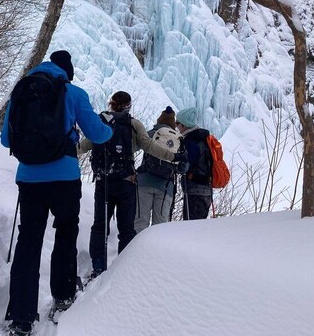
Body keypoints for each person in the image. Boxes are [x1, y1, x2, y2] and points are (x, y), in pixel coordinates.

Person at [0, 50, 112, 336]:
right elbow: (98, 134)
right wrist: (108, 130)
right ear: (67, 73)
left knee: (29, 239)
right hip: (64, 176)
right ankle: (62, 296)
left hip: (29, 178)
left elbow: (5, 139)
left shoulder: (21, 91)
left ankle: (21, 317)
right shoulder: (72, 93)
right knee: (65, 231)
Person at [80, 91, 186, 278]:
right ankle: (123, 272)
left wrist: (58, 153)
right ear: (129, 106)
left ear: (111, 105)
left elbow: (84, 145)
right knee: (127, 228)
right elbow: (150, 147)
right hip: (126, 182)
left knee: (99, 226)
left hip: (103, 181)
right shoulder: (133, 124)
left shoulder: (101, 122)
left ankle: (98, 268)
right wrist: (173, 157)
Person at [134, 106, 181, 233]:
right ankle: (156, 252)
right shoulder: (178, 139)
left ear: (159, 121)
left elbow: (134, 146)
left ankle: (135, 251)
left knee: (140, 221)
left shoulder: (151, 133)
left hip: (144, 182)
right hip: (166, 187)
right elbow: (184, 166)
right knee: (160, 225)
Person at [176, 107, 214, 220]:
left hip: (195, 190)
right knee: (199, 226)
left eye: (177, 123)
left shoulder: (191, 142)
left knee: (191, 227)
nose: (176, 126)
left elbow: (186, 165)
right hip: (206, 189)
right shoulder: (203, 139)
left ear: (184, 124)